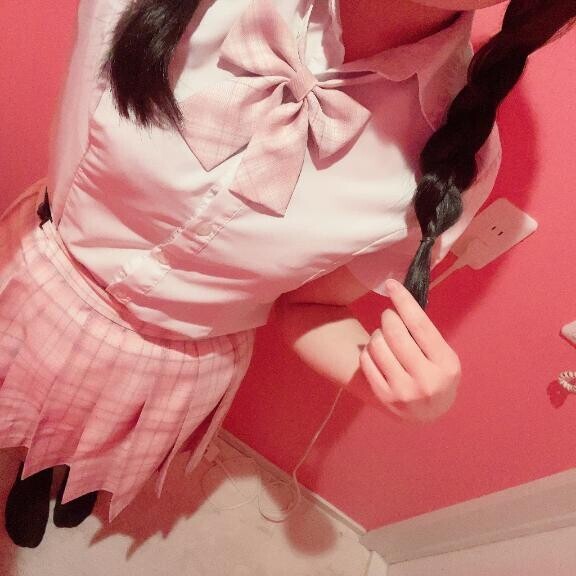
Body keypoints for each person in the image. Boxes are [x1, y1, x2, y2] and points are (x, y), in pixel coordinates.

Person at [1, 0, 573, 549]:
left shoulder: (456, 159)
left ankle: (67, 485)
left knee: (99, 452)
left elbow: (311, 305)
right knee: (24, 425)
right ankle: (31, 474)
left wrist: (396, 392)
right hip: (42, 286)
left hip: (173, 366)